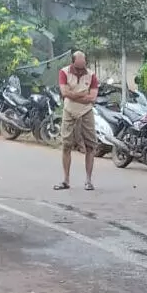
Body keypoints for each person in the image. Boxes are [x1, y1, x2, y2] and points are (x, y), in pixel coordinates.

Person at [54, 51, 99, 191]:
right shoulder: (64, 72)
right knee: (66, 145)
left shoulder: (91, 75)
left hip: (86, 112)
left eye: (84, 60)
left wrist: (73, 95)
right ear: (73, 62)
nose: (82, 64)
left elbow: (92, 98)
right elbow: (64, 93)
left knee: (91, 146)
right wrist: (82, 94)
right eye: (80, 61)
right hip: (69, 111)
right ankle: (66, 180)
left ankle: (88, 180)